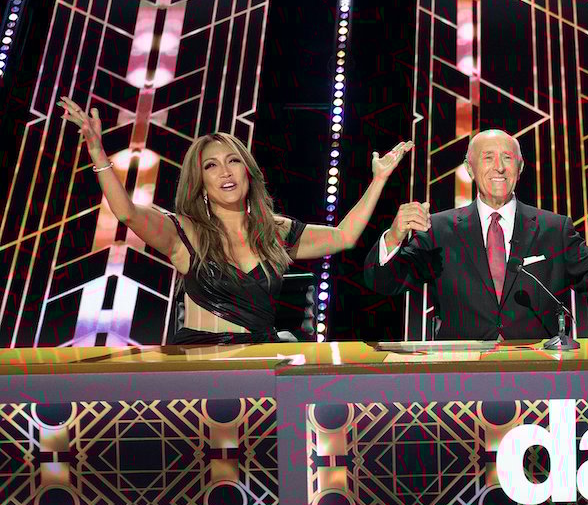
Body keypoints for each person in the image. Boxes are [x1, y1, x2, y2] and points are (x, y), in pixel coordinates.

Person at [58, 96, 412, 344]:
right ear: (200, 183)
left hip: (260, 358)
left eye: (233, 161)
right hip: (200, 362)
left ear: (247, 171)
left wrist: (378, 179)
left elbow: (344, 236)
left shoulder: (275, 231)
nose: (225, 172)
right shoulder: (184, 231)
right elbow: (127, 213)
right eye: (211, 166)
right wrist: (97, 153)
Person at [363, 129, 588, 340]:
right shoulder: (440, 229)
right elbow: (384, 283)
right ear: (469, 168)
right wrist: (394, 238)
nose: (499, 167)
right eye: (487, 157)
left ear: (520, 167)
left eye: (507, 158)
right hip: (461, 374)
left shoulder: (554, 228)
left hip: (538, 370)